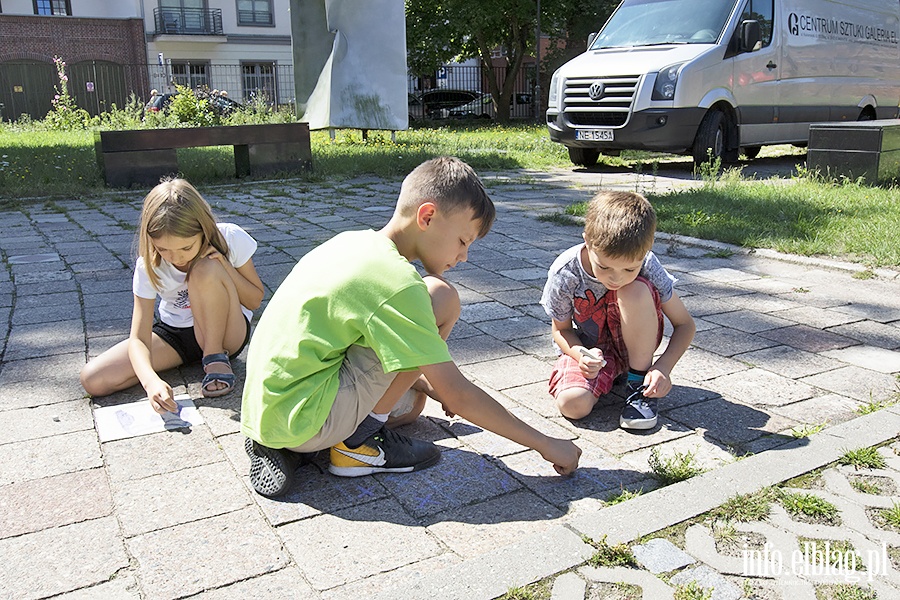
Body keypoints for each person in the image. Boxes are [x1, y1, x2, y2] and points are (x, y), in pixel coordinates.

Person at [240, 156, 582, 497]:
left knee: (413, 404)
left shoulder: (351, 242)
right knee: (442, 298)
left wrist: (425, 381)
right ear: (427, 216)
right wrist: (547, 444)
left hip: (264, 407)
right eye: (463, 242)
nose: (464, 257)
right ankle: (357, 445)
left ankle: (288, 444)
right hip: (304, 419)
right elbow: (459, 396)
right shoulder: (398, 285)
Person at [80, 178, 264, 413]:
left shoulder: (229, 237)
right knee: (94, 379)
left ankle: (215, 355)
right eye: (163, 249)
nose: (176, 258)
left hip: (228, 331)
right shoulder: (148, 265)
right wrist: (150, 381)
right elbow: (139, 337)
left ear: (204, 229)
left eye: (186, 248)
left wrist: (225, 267)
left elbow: (254, 299)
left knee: (205, 269)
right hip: (176, 335)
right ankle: (194, 359)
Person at [540, 190, 695, 429]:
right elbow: (560, 331)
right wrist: (581, 354)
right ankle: (610, 376)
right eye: (604, 266)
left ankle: (637, 383)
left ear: (646, 250)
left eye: (629, 269)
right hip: (592, 353)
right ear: (587, 241)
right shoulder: (566, 272)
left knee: (633, 290)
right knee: (573, 405)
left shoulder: (647, 263)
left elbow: (685, 325)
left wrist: (663, 367)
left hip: (635, 351)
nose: (615, 278)